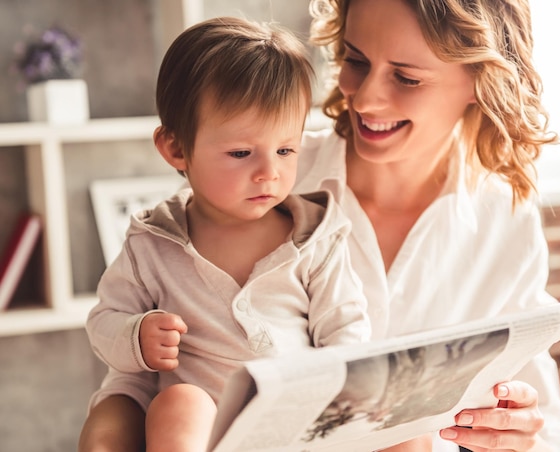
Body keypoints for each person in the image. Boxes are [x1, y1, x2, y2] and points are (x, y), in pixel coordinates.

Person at [79, 0, 560, 450]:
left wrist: (516, 437)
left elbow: (542, 426)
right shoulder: (260, 169)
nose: (365, 99)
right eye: (356, 61)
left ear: (480, 81)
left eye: (407, 77)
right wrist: (118, 415)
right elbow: (152, 366)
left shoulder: (503, 217)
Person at [82, 16, 371, 452]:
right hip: (202, 432)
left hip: (293, 423)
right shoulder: (153, 241)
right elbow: (104, 321)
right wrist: (136, 336)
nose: (268, 173)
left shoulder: (315, 238)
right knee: (179, 402)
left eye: (286, 150)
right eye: (241, 153)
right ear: (177, 149)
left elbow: (347, 332)